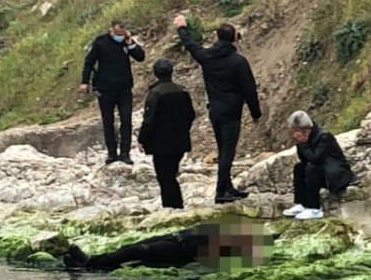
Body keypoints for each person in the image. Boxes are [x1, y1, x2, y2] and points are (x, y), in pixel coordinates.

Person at [173, 14, 262, 204]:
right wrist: (256, 113)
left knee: (223, 150)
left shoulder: (207, 57)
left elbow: (190, 44)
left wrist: (182, 27)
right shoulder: (238, 61)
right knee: (228, 152)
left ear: (217, 37)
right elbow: (249, 89)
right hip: (232, 112)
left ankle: (227, 187)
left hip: (214, 110)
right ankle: (221, 192)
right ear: (233, 39)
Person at [63, 222, 277, 272]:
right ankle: (95, 262)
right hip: (176, 237)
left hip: (178, 250)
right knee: (132, 247)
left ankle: (90, 263)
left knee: (135, 253)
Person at [82, 19, 146, 165]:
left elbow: (141, 57)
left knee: (126, 120)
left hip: (124, 88)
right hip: (105, 88)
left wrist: (130, 41)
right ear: (111, 29)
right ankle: (111, 152)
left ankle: (125, 153)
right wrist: (84, 82)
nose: (119, 35)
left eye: (122, 33)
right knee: (108, 121)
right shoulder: (100, 43)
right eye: (117, 32)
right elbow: (89, 62)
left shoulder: (126, 41)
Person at [138, 58, 196, 209]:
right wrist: (183, 129)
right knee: (171, 174)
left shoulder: (155, 93)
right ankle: (176, 205)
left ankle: (171, 207)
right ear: (172, 71)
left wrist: (142, 139)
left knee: (165, 177)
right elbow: (191, 114)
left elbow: (149, 120)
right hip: (180, 140)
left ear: (155, 73)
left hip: (161, 144)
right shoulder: (182, 91)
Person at [283, 110, 355, 220]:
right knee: (299, 167)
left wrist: (304, 144)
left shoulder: (324, 136)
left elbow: (316, 159)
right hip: (323, 171)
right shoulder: (306, 139)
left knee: (312, 168)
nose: (294, 134)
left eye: (296, 130)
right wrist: (301, 144)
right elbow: (304, 160)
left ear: (305, 129)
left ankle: (314, 208)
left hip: (337, 173)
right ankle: (301, 204)